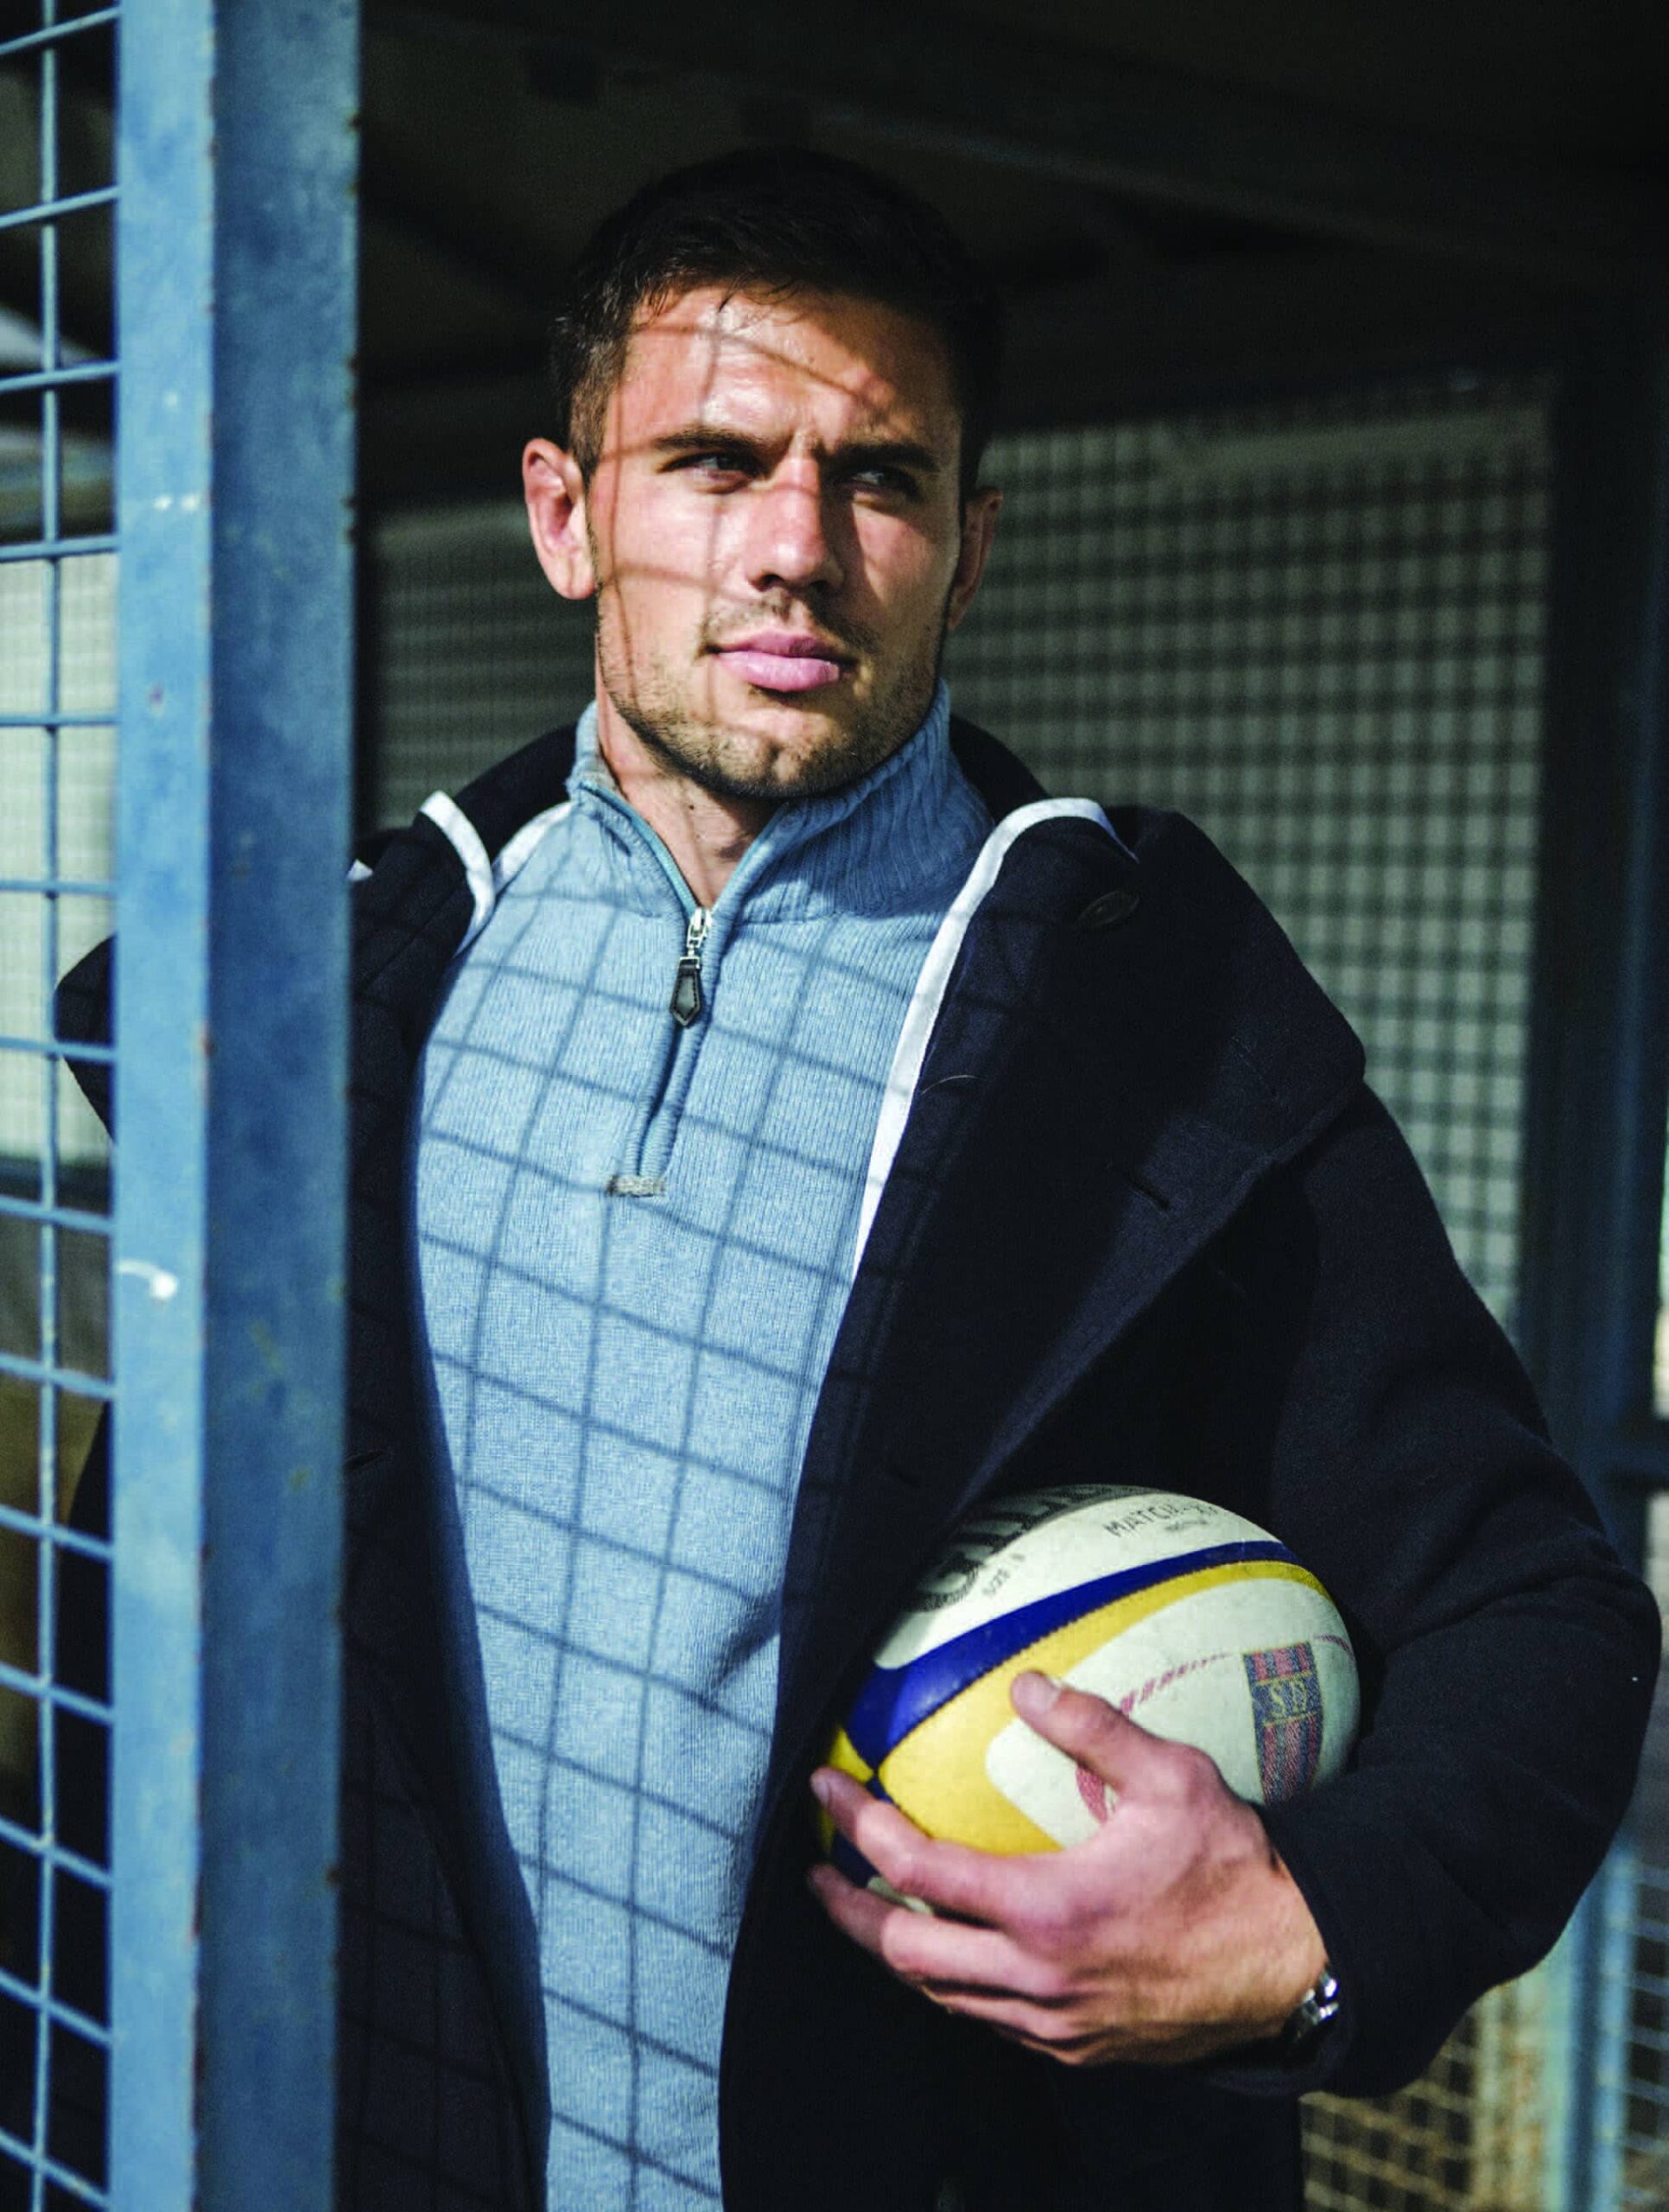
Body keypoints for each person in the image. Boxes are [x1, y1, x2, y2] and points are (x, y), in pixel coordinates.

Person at [25, 148, 1659, 2212]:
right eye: (715, 461)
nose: (796, 547)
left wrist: (1308, 1932)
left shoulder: (1147, 1024)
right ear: (566, 514)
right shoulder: (341, 994)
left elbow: (1536, 1611)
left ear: (967, 553)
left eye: (877, 478)